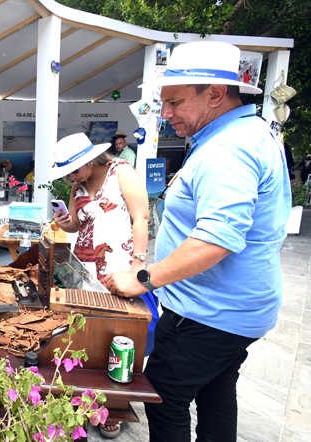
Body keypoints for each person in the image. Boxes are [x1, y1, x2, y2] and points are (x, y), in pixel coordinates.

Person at [104, 41, 291, 441]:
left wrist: (143, 278)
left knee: (163, 394)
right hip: (236, 308)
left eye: (175, 102)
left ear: (216, 94)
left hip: (209, 313)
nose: (166, 113)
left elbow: (215, 240)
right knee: (215, 390)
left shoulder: (229, 149)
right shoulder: (247, 131)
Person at [50, 133, 155, 439]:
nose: (71, 176)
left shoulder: (121, 172)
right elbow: (76, 224)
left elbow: (141, 218)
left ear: (90, 159)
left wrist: (138, 267)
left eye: (74, 169)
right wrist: (64, 221)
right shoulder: (77, 186)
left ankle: (113, 406)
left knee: (118, 336)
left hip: (119, 269)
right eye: (67, 172)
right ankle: (84, 400)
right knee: (89, 336)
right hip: (84, 270)